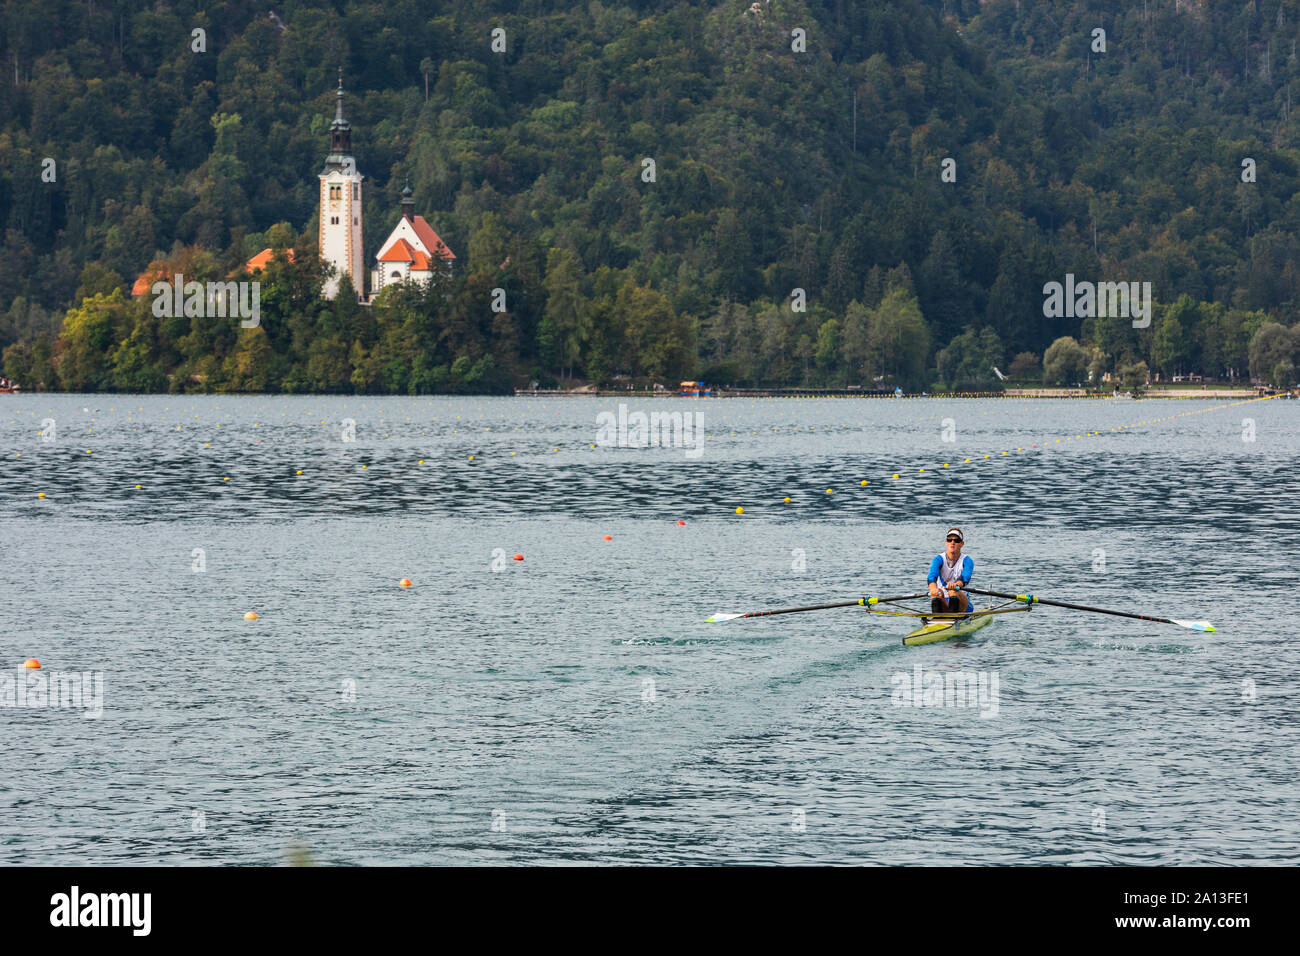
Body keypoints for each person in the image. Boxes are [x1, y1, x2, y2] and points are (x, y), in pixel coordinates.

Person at [927, 527, 973, 617]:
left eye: (956, 540)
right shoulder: (938, 559)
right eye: (949, 540)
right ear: (946, 542)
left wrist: (956, 585)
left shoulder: (967, 560)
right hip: (943, 599)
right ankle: (936, 621)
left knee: (952, 591)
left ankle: (953, 620)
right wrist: (933, 589)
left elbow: (965, 578)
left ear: (962, 544)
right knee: (936, 594)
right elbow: (932, 576)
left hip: (962, 603)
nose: (952, 542)